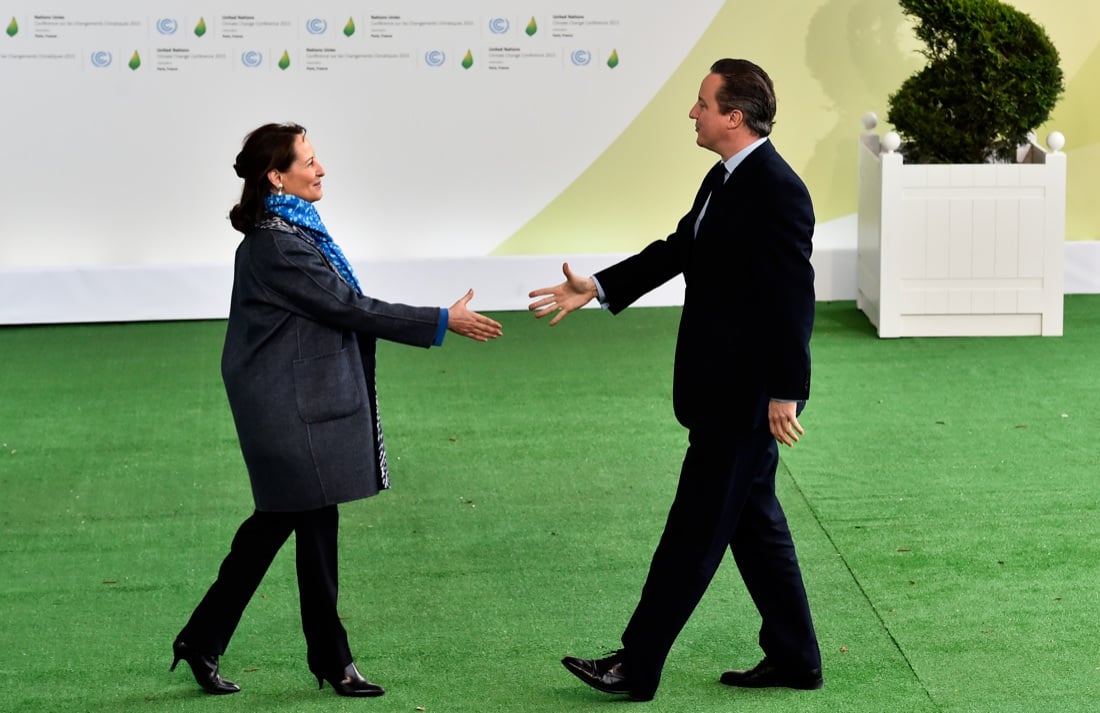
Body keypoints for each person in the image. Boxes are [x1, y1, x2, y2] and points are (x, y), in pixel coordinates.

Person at [170, 122, 503, 697]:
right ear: (277, 176)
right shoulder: (278, 243)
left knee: (279, 527)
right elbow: (348, 305)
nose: (321, 169)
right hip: (287, 410)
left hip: (294, 404)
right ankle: (328, 658)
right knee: (303, 525)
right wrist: (442, 320)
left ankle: (209, 641)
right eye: (310, 160)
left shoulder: (289, 231)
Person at [528, 58, 821, 701]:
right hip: (717, 390)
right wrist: (599, 287)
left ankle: (637, 663)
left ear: (733, 117)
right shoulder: (724, 178)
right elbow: (679, 248)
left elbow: (794, 298)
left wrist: (784, 390)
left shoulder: (776, 189)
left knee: (693, 531)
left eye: (702, 103)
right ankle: (797, 657)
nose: (693, 112)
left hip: (740, 400)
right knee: (756, 524)